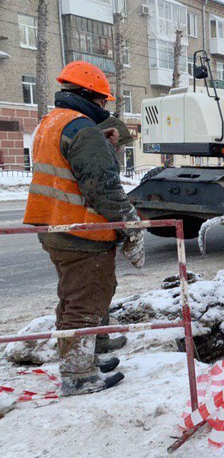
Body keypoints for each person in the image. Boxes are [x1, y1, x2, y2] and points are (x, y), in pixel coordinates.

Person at [23, 61, 145, 396]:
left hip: (54, 226)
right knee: (85, 302)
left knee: (76, 294)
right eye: (103, 101)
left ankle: (89, 351)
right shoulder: (83, 129)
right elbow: (104, 189)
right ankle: (78, 375)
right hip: (82, 231)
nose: (105, 107)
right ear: (93, 97)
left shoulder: (51, 122)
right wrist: (130, 226)